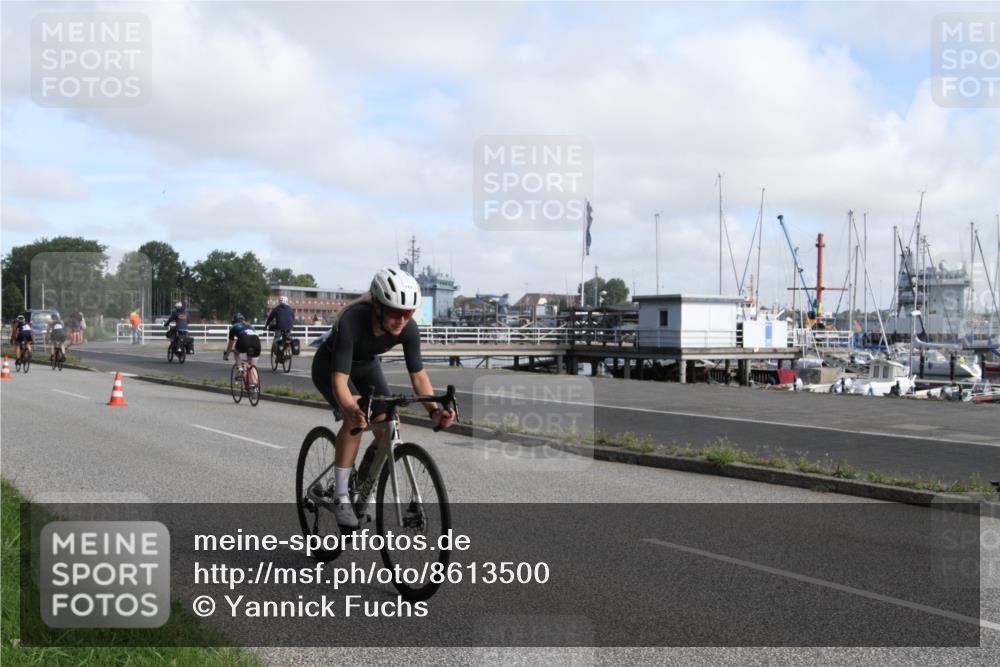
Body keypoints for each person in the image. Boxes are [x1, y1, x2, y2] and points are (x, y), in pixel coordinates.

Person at [311, 267, 454, 528]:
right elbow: (340, 382)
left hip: (367, 367)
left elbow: (419, 376)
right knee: (355, 420)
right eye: (395, 312)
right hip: (331, 367)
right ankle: (342, 495)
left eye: (408, 313)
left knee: (391, 426)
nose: (402, 320)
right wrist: (351, 408)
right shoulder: (352, 321)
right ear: (377, 305)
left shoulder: (408, 329)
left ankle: (362, 484)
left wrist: (434, 410)